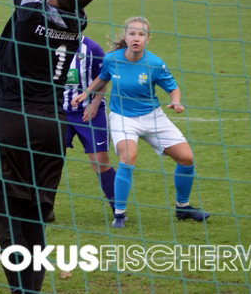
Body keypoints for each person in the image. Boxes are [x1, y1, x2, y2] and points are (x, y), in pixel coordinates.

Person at [0, 0, 97, 294]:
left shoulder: (31, 9)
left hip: (12, 123)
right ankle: (31, 289)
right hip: (51, 127)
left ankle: (21, 289)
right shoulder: (77, 18)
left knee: (7, 216)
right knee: (33, 218)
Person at [72, 17, 209, 228]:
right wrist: (86, 93)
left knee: (187, 158)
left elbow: (173, 87)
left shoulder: (155, 63)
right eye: (132, 34)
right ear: (125, 37)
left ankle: (183, 207)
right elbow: (103, 77)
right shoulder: (112, 59)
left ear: (148, 39)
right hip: (122, 118)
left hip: (153, 117)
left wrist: (176, 102)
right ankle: (119, 214)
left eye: (141, 35)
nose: (136, 38)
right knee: (128, 156)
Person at [56, 35, 115, 221]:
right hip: (58, 112)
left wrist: (95, 103)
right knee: (51, 160)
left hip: (89, 112)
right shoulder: (49, 43)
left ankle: (118, 208)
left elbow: (104, 76)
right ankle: (42, 208)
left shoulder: (92, 48)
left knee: (99, 159)